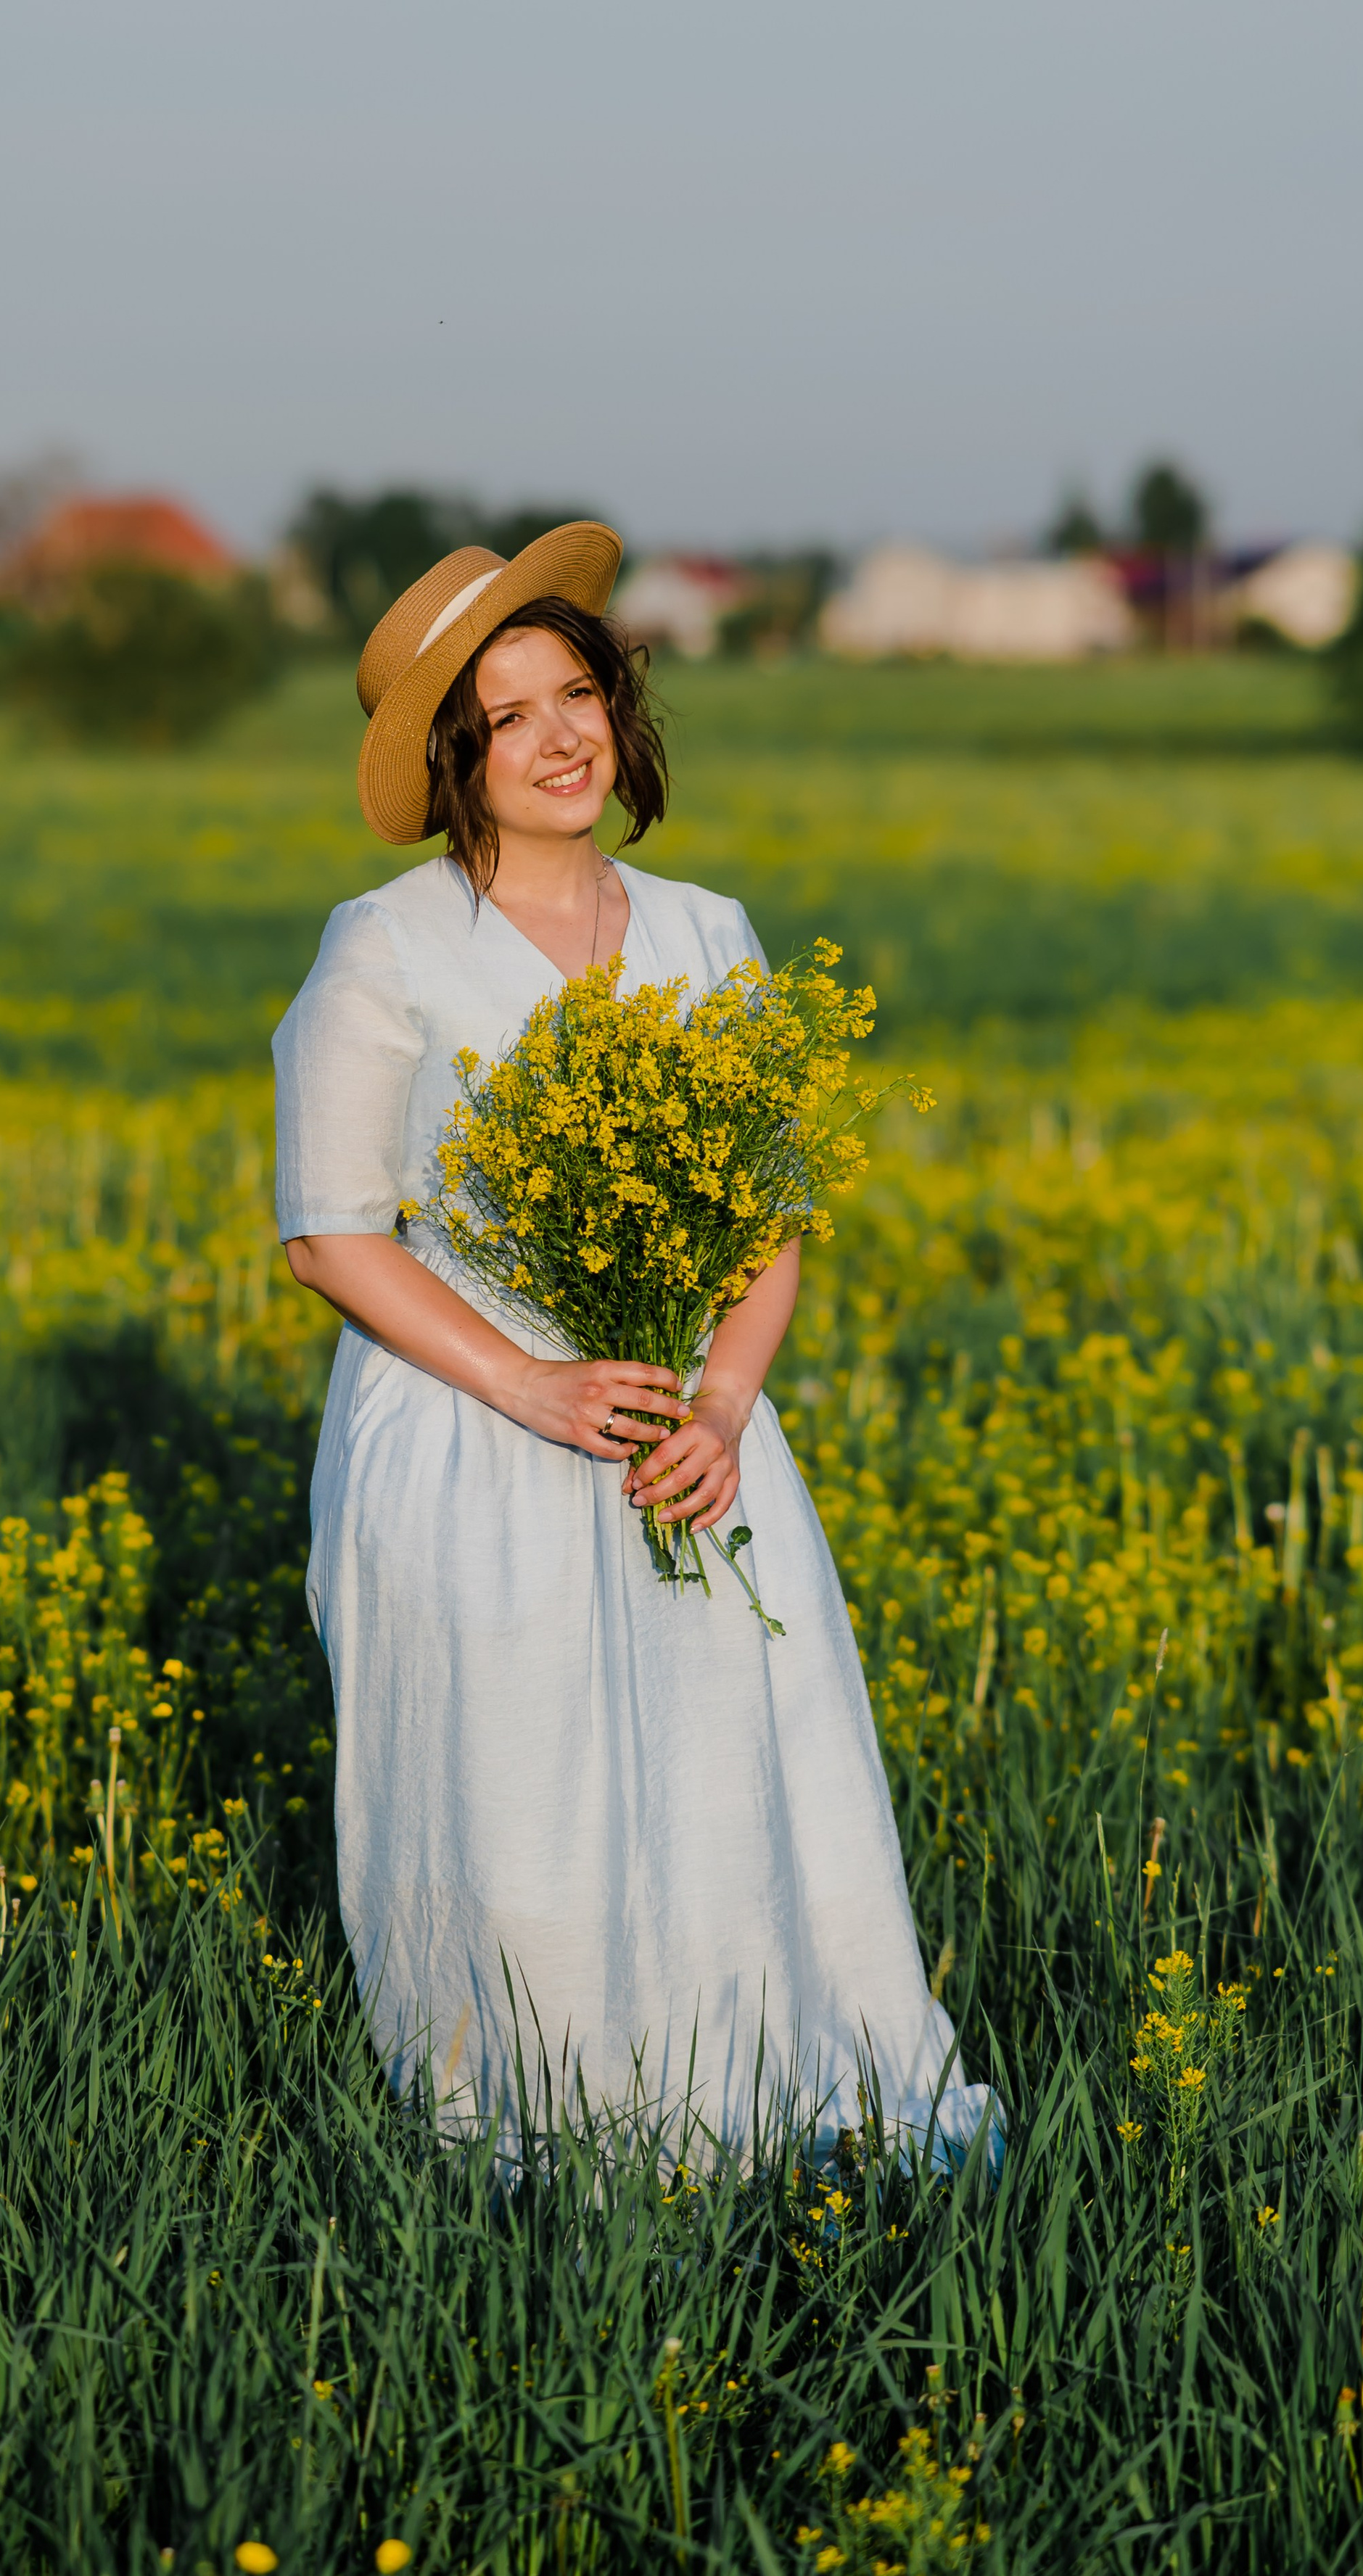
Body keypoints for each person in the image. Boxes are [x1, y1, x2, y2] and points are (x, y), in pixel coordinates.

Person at [273, 520, 993, 2166]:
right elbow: (328, 1229)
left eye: (576, 690)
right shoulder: (384, 946)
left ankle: (766, 2099)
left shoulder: (705, 930)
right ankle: (562, 2130)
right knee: (519, 1796)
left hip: (692, 1426)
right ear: (456, 758)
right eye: (509, 712)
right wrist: (533, 1379)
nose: (559, 734)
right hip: (472, 1426)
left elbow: (768, 1216)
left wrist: (725, 1398)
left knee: (740, 1768)